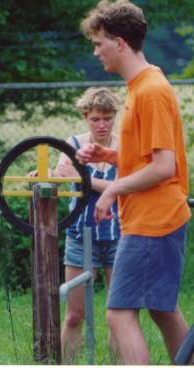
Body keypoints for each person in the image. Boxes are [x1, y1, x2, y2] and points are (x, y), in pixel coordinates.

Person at [78, 0, 190, 364]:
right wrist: (109, 157)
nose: (96, 52)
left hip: (152, 221)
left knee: (119, 313)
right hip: (153, 218)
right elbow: (146, 156)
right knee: (162, 309)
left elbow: (164, 166)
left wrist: (112, 187)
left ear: (120, 42)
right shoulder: (141, 86)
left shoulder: (150, 90)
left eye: (99, 43)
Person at [56, 87, 120, 363]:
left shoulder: (123, 145)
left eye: (107, 118)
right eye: (96, 119)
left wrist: (86, 181)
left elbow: (128, 187)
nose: (102, 125)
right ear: (85, 117)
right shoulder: (72, 143)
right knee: (74, 315)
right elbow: (63, 175)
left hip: (119, 234)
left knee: (119, 314)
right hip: (80, 235)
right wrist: (111, 187)